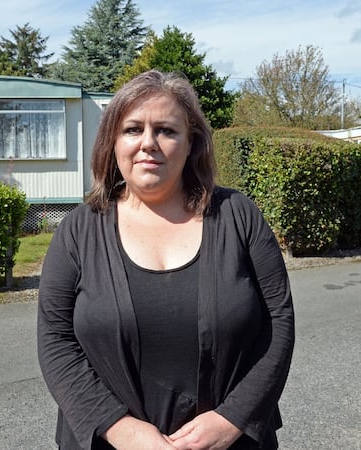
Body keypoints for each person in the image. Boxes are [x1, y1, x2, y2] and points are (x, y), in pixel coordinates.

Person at [37, 70, 295, 450]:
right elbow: (54, 340)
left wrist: (232, 418)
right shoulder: (79, 229)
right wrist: (120, 428)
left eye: (166, 131)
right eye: (132, 129)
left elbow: (279, 323)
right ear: (112, 142)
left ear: (191, 144)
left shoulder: (238, 215)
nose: (148, 143)